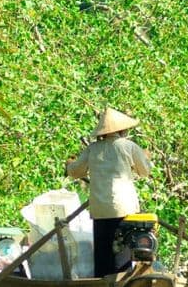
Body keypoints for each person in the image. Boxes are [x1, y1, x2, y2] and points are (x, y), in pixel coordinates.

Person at [65, 108, 152, 277]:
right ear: (122, 130)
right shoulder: (129, 146)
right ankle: (120, 285)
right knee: (122, 251)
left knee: (103, 253)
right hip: (124, 208)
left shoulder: (93, 149)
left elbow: (76, 171)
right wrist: (146, 159)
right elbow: (145, 171)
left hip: (100, 209)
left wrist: (69, 165)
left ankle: (101, 285)